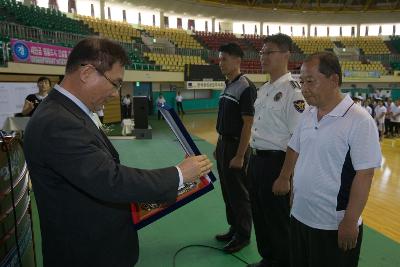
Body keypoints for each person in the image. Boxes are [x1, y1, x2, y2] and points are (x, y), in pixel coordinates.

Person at [23, 37, 213, 267]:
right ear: (87, 73)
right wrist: (179, 174)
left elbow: (101, 169)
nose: (115, 93)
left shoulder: (67, 111)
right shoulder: (57, 121)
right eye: (115, 83)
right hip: (87, 253)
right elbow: (110, 180)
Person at [273, 52, 382, 267]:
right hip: (300, 217)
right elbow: (295, 147)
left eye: (310, 81)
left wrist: (350, 221)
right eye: (301, 81)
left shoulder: (359, 121)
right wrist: (287, 181)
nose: (304, 88)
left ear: (334, 80)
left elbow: (365, 174)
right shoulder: (308, 114)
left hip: (332, 224)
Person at [247, 34, 306, 267]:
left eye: (269, 52)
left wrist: (284, 176)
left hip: (277, 163)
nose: (263, 57)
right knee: (260, 215)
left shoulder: (294, 91)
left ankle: (282, 262)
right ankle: (268, 259)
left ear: (286, 55)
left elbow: (298, 137)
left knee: (277, 220)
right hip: (257, 161)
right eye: (261, 52)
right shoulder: (264, 89)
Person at [214, 43, 256, 253]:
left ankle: (243, 235)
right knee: (227, 191)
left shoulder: (246, 86)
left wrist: (240, 155)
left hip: (236, 147)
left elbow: (248, 123)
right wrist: (219, 146)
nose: (220, 63)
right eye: (220, 59)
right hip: (223, 145)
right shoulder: (228, 85)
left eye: (224, 59)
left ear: (237, 60)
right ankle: (234, 227)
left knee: (239, 194)